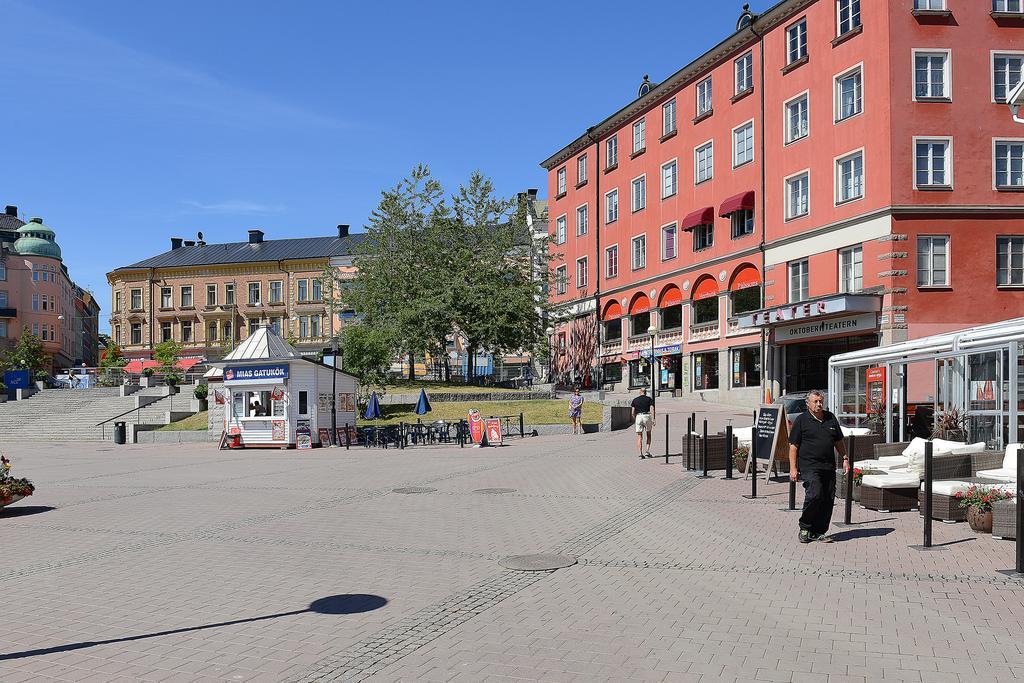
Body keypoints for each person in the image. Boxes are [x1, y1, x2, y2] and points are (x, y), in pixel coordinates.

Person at [788, 389, 848, 544]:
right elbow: (793, 446)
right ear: (808, 403)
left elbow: (838, 441)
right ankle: (805, 527)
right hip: (809, 465)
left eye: (821, 401)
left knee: (827, 499)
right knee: (814, 494)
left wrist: (845, 458)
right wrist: (793, 468)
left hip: (828, 466)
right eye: (815, 401)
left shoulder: (830, 418)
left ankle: (818, 532)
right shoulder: (802, 420)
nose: (819, 404)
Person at [630, 387, 656, 459]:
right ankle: (647, 451)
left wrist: (635, 418)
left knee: (639, 436)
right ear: (645, 392)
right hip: (647, 416)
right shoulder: (649, 399)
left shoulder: (635, 400)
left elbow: (632, 412)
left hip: (639, 416)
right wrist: (653, 419)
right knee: (648, 434)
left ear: (640, 392)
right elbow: (652, 409)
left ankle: (640, 454)